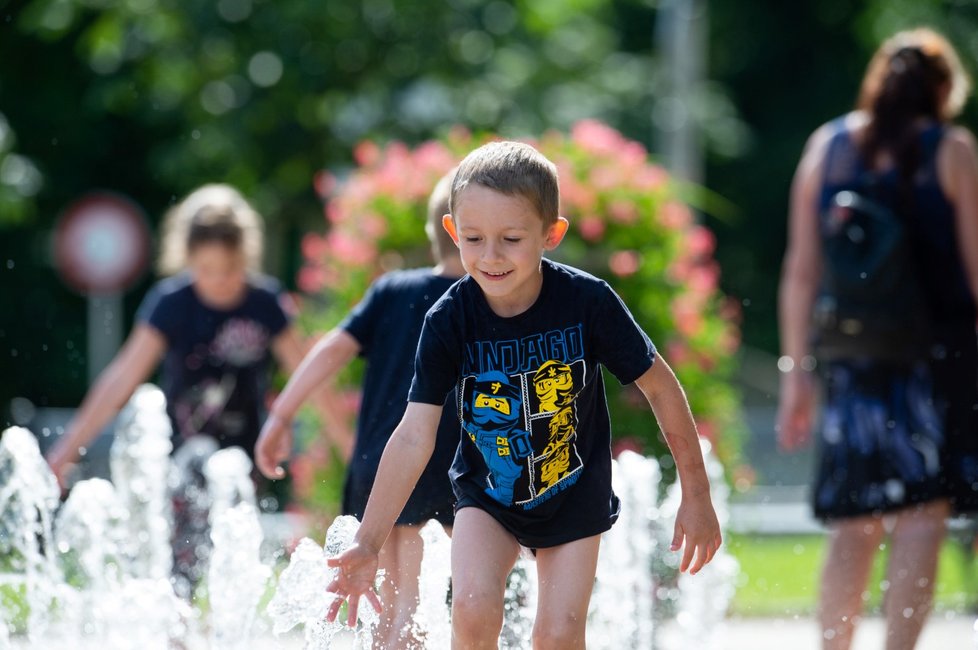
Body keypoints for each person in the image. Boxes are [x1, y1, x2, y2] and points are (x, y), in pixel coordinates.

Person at [324, 141, 722, 649]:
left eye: (511, 238)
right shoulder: (448, 319)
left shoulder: (587, 302)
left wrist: (697, 495)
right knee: (470, 609)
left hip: (572, 491)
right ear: (452, 231)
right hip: (486, 493)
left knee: (556, 635)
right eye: (473, 238)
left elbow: (661, 388)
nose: (490, 257)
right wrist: (367, 540)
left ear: (551, 233)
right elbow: (412, 435)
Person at [777, 28, 978, 650]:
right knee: (922, 516)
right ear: (944, 89)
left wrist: (796, 374)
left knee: (852, 521)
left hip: (850, 362)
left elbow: (801, 272)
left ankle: (834, 646)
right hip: (936, 366)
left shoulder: (829, 146)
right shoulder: (952, 151)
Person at [45, 183, 352, 589]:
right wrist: (66, 452)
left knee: (228, 558)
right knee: (183, 552)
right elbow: (121, 378)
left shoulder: (264, 303)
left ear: (246, 259)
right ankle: (182, 632)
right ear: (186, 260)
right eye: (206, 271)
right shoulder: (172, 304)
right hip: (179, 451)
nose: (218, 282)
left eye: (229, 270)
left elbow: (308, 376)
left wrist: (351, 446)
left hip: (242, 453)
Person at [255, 171, 464, 650]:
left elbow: (331, 349)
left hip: (386, 462)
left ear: (437, 233)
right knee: (458, 605)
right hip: (458, 464)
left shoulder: (392, 291)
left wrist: (281, 415)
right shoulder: (482, 299)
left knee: (393, 615)